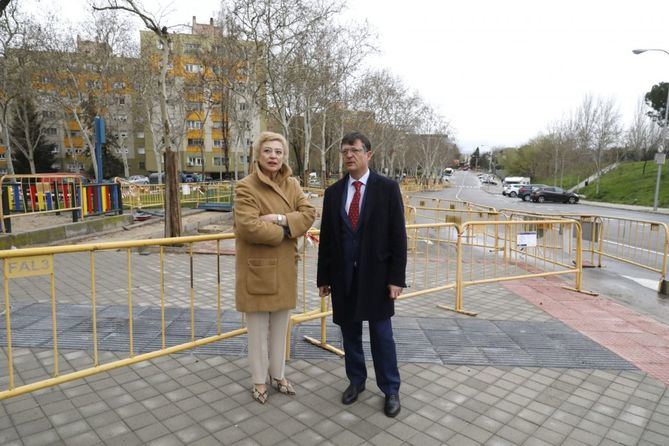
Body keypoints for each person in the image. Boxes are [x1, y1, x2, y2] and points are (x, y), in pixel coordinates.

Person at [316, 131, 407, 417]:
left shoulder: (387, 189)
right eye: (344, 151)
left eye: (354, 150)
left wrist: (396, 279)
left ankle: (390, 389)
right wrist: (324, 278)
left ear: (369, 153)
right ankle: (356, 381)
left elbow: (398, 237)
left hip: (377, 279)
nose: (348, 156)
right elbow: (327, 238)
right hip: (344, 278)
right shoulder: (333, 193)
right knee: (350, 335)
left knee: (382, 336)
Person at [234, 131, 316, 404]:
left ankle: (278, 374)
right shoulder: (246, 186)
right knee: (257, 331)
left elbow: (309, 214)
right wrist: (285, 233)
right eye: (268, 151)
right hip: (258, 268)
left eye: (278, 152)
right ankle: (259, 380)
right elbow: (248, 226)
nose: (273, 156)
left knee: (281, 328)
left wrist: (280, 217)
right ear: (258, 154)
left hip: (284, 268)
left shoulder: (292, 184)